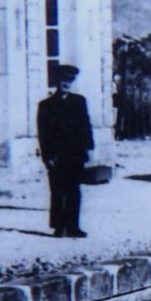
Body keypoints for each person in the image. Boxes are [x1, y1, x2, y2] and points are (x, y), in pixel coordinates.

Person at [36, 64, 94, 238]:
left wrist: (89, 147)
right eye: (63, 80)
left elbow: (86, 126)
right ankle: (59, 227)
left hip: (75, 153)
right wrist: (47, 156)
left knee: (74, 190)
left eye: (69, 81)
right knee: (57, 189)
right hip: (56, 154)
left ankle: (74, 226)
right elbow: (43, 133)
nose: (66, 84)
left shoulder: (79, 101)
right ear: (57, 82)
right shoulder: (46, 105)